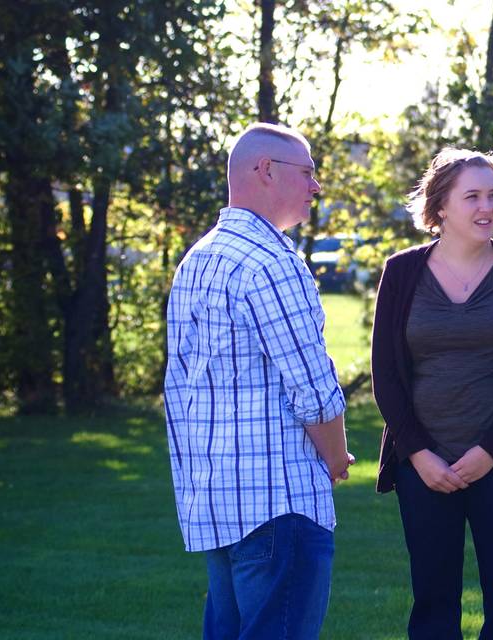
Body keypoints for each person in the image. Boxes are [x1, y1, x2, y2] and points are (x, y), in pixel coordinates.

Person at [163, 122, 354, 640]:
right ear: (266, 171)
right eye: (308, 173)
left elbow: (179, 390)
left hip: (217, 502)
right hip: (279, 501)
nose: (316, 187)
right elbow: (314, 386)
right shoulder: (273, 262)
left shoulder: (196, 261)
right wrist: (336, 458)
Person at [371, 148, 493, 639]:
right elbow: (386, 376)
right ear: (440, 207)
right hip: (424, 467)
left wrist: (492, 452)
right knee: (433, 604)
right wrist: (418, 454)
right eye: (472, 196)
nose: (487, 207)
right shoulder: (402, 272)